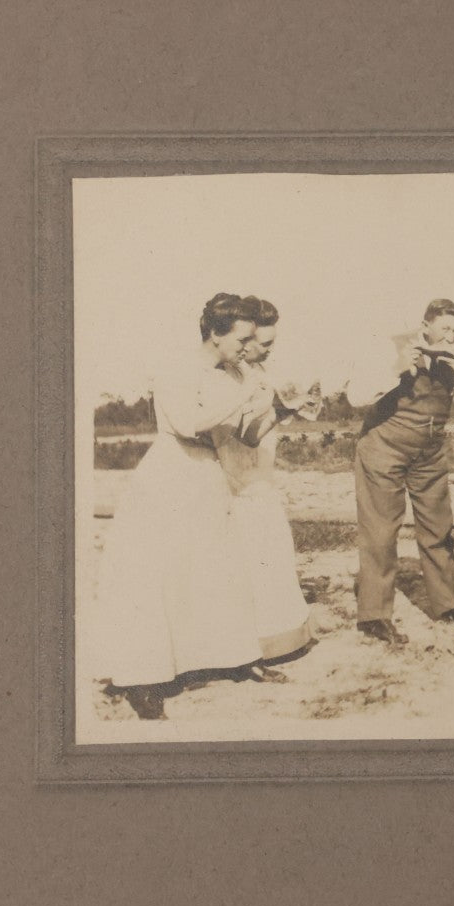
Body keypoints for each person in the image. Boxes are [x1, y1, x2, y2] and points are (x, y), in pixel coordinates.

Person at [91, 293, 272, 719]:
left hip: (206, 475)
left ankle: (218, 660)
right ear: (214, 333)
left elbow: (242, 432)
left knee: (209, 567)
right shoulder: (178, 368)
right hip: (170, 477)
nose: (247, 349)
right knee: (157, 574)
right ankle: (140, 681)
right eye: (242, 340)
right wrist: (247, 389)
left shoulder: (230, 373)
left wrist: (276, 406)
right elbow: (190, 422)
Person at [343, 298, 454, 648]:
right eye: (445, 330)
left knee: (439, 529)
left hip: (429, 453)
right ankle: (374, 616)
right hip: (384, 449)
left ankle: (449, 606)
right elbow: (355, 396)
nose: (452, 337)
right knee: (380, 533)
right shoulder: (392, 348)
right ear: (426, 326)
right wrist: (396, 367)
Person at [209, 296, 314, 679]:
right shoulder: (226, 377)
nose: (268, 350)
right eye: (263, 343)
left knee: (270, 553)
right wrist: (281, 409)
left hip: (260, 475)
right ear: (246, 338)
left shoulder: (258, 372)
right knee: (247, 561)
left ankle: (278, 640)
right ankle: (248, 651)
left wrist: (291, 405)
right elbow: (245, 433)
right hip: (236, 478)